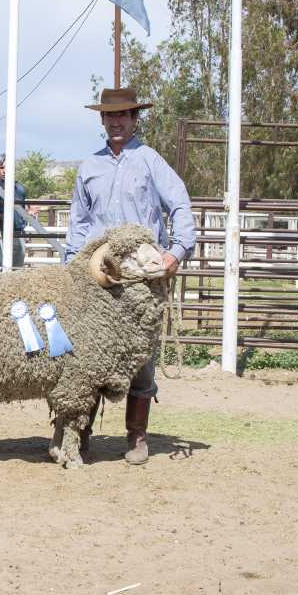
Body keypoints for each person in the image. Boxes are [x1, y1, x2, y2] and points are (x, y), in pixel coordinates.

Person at [65, 87, 195, 465]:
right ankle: (79, 430)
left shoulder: (151, 161)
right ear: (102, 121)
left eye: (124, 115)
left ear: (135, 119)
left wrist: (176, 251)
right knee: (84, 355)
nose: (117, 121)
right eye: (110, 116)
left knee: (140, 358)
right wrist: (73, 265)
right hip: (98, 274)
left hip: (141, 279)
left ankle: (137, 436)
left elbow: (180, 206)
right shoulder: (89, 167)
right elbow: (78, 222)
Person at [0, 155, 28, 268]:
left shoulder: (20, 188)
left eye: (7, 167)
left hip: (18, 234)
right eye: (1, 168)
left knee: (18, 268)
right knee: (0, 268)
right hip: (1, 234)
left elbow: (23, 209)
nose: (4, 171)